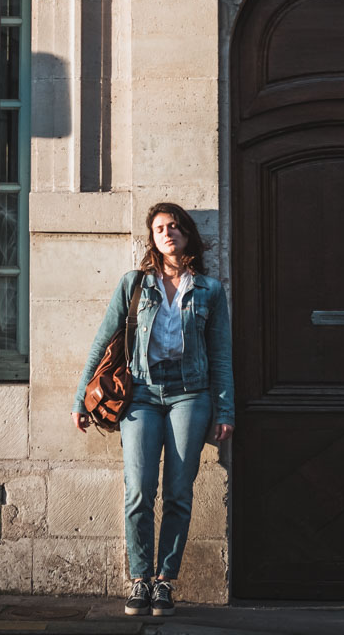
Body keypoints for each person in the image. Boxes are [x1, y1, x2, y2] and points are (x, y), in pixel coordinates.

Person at [73, 202, 234, 618]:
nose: (168, 232)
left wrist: (224, 410)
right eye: (160, 227)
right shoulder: (134, 284)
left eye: (175, 226)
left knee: (179, 493)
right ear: (153, 237)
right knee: (140, 491)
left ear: (187, 235)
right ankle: (140, 579)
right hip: (141, 395)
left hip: (191, 395)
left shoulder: (210, 291)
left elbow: (221, 356)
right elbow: (101, 342)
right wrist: (80, 400)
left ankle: (165, 582)